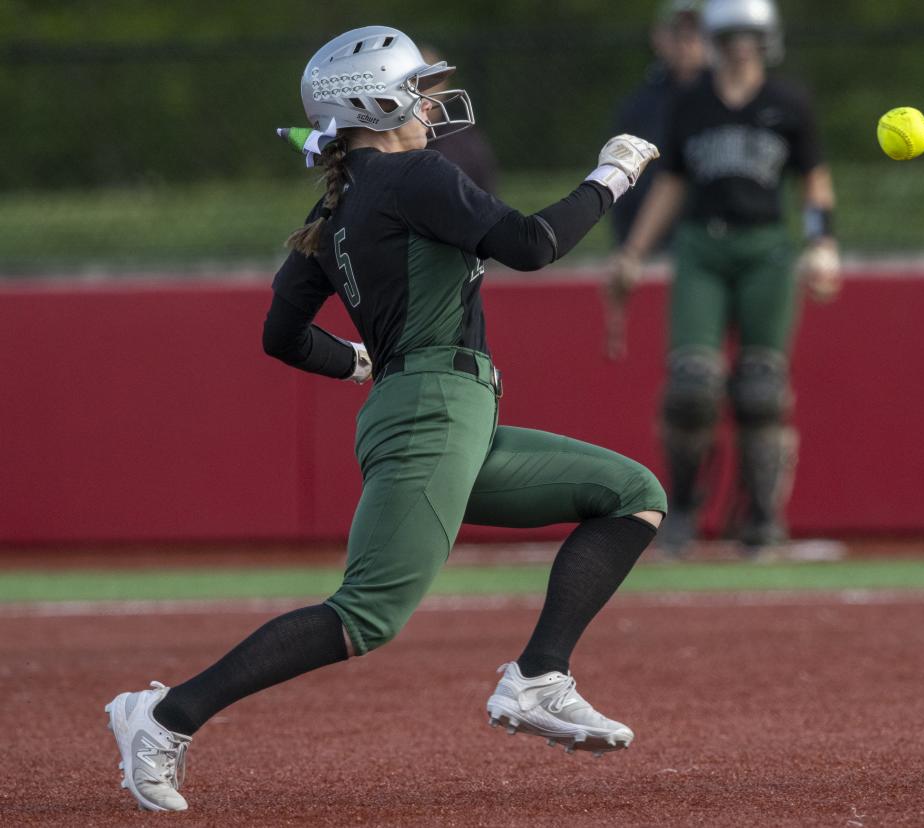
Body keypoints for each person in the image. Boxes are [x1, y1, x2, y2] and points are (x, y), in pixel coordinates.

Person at [104, 26, 664, 813]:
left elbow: (281, 335)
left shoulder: (336, 200)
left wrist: (362, 363)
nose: (434, 100)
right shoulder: (412, 175)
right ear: (376, 99)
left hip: (432, 408)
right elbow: (532, 245)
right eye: (421, 86)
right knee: (366, 613)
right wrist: (612, 175)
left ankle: (540, 676)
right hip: (434, 412)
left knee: (631, 491)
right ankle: (163, 717)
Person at [610, 0, 840, 558]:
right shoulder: (691, 102)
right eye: (732, 36)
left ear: (767, 40)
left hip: (765, 248)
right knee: (691, 386)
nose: (741, 48)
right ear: (716, 41)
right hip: (701, 249)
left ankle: (761, 520)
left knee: (762, 387)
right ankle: (684, 512)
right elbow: (672, 183)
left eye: (750, 37)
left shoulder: (787, 102)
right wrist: (634, 251)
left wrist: (822, 241)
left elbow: (814, 180)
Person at [610, 0, 707, 249]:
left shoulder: (731, 101)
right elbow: (619, 173)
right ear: (659, 38)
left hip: (714, 239)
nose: (686, 41)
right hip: (654, 244)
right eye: (677, 33)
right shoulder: (639, 106)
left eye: (694, 32)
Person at [419, 44, 501, 195]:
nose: (425, 90)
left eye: (432, 81)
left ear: (444, 84)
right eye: (417, 83)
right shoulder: (391, 141)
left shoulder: (465, 142)